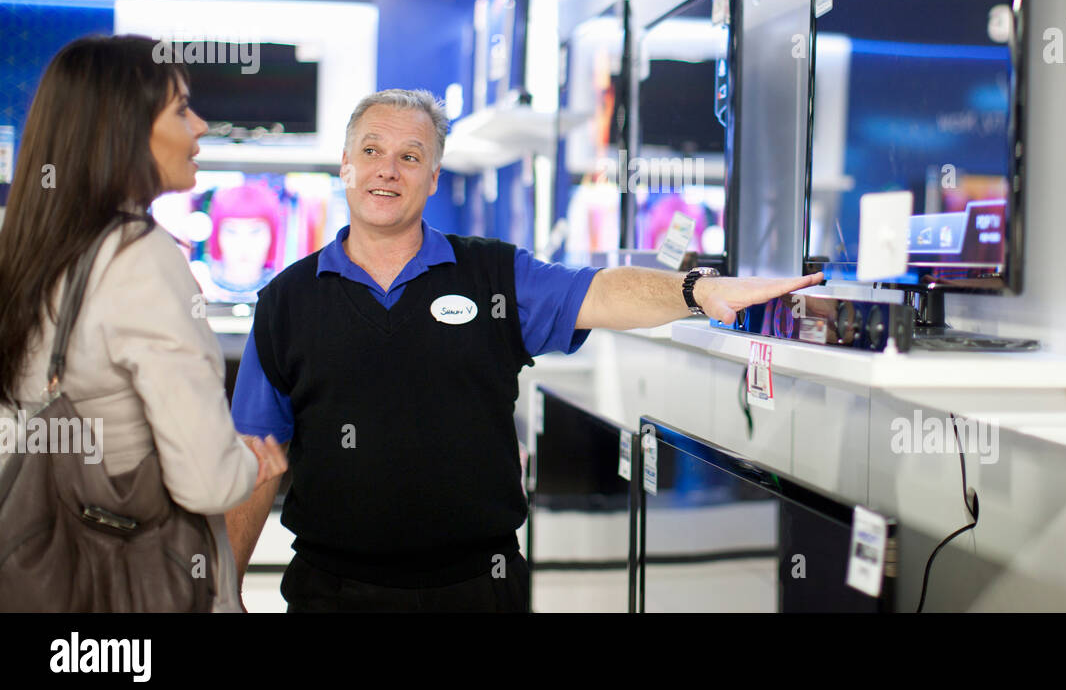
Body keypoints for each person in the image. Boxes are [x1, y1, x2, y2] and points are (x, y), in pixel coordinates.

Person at [227, 88, 822, 612]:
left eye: (411, 156)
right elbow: (255, 458)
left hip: (477, 590)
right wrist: (222, 590)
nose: (389, 170)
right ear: (346, 166)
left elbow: (601, 292)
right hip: (333, 595)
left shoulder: (494, 276)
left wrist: (698, 289)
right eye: (372, 151)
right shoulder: (285, 302)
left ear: (434, 177)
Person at [0, 35, 288, 612]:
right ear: (123, 127)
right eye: (181, 108)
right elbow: (205, 481)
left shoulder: (27, 249)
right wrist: (251, 463)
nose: (201, 126)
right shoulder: (141, 256)